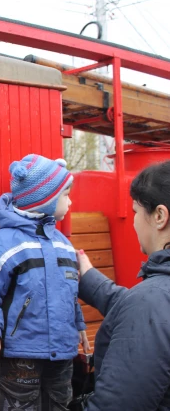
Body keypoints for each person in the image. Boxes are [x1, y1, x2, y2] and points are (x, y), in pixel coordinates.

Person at [0, 154, 89, 411]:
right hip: (22, 351)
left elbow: (70, 290)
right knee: (19, 404)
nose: (71, 201)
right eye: (66, 195)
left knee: (60, 401)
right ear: (44, 199)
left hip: (63, 348)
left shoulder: (62, 243)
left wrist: (79, 325)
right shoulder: (5, 243)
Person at [77, 160, 170, 410]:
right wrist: (87, 276)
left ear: (160, 216)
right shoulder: (153, 300)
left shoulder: (150, 301)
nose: (134, 222)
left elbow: (117, 404)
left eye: (136, 212)